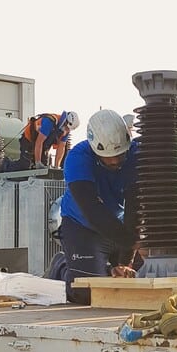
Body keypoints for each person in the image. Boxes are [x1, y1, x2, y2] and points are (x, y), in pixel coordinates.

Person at [59, 109, 139, 304]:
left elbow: (135, 206)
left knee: (134, 283)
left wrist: (125, 260)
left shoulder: (137, 153)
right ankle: (62, 266)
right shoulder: (78, 158)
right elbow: (92, 209)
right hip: (83, 226)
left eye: (120, 155)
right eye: (108, 157)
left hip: (119, 225)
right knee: (87, 293)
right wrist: (129, 240)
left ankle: (107, 266)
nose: (115, 161)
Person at [0, 111, 79, 172]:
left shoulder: (65, 131)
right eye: (67, 128)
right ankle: (6, 165)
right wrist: (38, 162)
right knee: (24, 165)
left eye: (69, 129)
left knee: (43, 170)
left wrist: (56, 166)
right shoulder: (49, 122)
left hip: (43, 146)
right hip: (28, 140)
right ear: (65, 121)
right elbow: (39, 142)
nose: (67, 130)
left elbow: (61, 149)